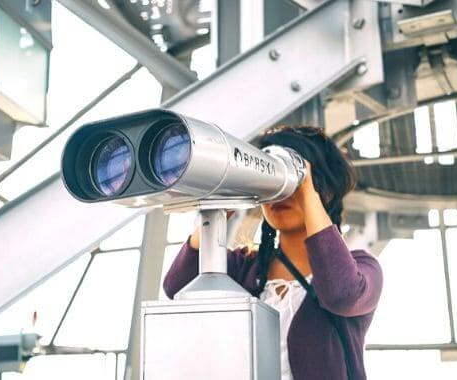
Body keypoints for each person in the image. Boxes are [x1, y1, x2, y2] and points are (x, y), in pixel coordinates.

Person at [162, 126, 383, 380]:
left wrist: (305, 187)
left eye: (291, 182)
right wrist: (225, 195)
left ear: (327, 190)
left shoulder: (363, 269)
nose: (280, 193)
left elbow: (341, 293)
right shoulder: (244, 267)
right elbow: (178, 286)